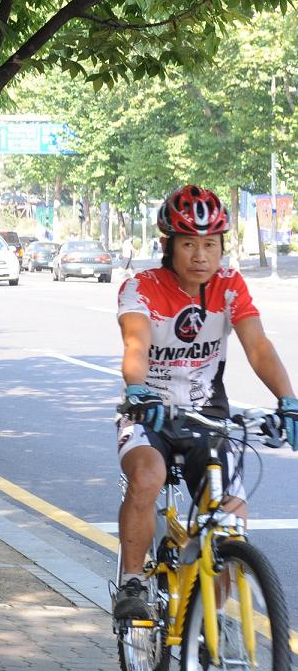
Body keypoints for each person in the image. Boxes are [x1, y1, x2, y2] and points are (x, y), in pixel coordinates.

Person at [113, 185, 297, 622]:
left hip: (207, 416)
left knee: (229, 520)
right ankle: (133, 582)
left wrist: (287, 400)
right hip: (148, 413)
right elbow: (135, 343)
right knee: (147, 475)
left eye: (210, 244)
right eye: (189, 243)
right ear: (168, 246)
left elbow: (258, 347)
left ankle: (204, 626)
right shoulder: (141, 287)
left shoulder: (230, 286)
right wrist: (138, 391)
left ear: (220, 247)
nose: (200, 255)